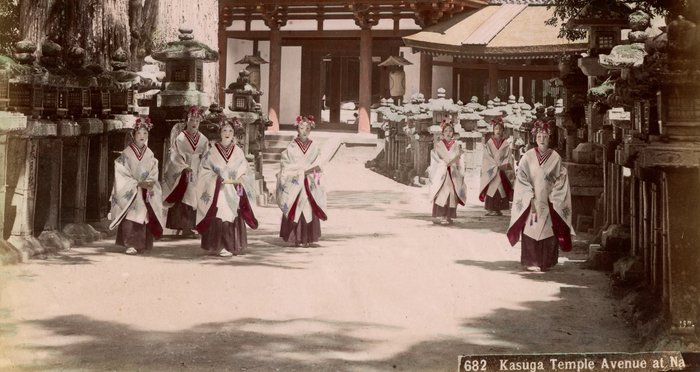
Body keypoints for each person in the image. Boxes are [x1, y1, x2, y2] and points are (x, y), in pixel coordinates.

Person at [507, 120, 575, 272]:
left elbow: (561, 179)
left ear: (549, 137)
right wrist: (529, 197)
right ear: (534, 137)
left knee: (548, 230)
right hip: (532, 199)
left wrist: (554, 197)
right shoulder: (528, 157)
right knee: (531, 228)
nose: (542, 138)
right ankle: (531, 260)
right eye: (539, 135)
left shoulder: (555, 157)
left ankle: (546, 262)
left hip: (549, 200)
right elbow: (522, 177)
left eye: (545, 135)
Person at [195, 118, 258, 257]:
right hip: (218, 189)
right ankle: (220, 245)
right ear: (220, 133)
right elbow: (204, 171)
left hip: (234, 188)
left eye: (230, 130)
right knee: (221, 210)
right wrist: (216, 179)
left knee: (233, 211)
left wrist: (240, 179)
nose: (227, 133)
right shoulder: (212, 152)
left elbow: (246, 171)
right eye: (224, 130)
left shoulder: (238, 152)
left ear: (234, 133)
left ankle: (232, 244)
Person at [109, 117, 165, 255]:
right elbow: (121, 171)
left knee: (144, 214)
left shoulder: (150, 153)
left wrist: (150, 181)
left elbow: (154, 170)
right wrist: (135, 183)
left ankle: (142, 243)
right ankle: (130, 244)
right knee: (130, 214)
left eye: (145, 133)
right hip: (131, 189)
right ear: (133, 135)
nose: (142, 136)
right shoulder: (126, 153)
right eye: (139, 133)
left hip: (144, 189)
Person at [276, 114, 327, 247]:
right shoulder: (291, 147)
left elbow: (319, 162)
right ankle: (297, 238)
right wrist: (298, 171)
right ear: (297, 129)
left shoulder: (315, 146)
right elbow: (285, 163)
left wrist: (312, 173)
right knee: (296, 204)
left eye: (307, 128)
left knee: (309, 206)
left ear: (311, 129)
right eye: (301, 127)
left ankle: (308, 237)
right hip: (295, 181)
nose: (304, 131)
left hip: (309, 180)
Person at [162, 106, 210, 237]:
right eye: (192, 120)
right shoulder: (180, 138)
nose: (194, 124)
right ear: (187, 121)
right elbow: (175, 156)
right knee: (185, 193)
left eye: (197, 121)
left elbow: (207, 156)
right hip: (184, 170)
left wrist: (204, 169)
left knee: (198, 194)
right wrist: (184, 168)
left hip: (198, 169)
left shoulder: (204, 139)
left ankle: (196, 225)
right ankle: (183, 226)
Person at [427, 119, 467, 225]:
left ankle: (449, 216)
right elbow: (440, 160)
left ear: (453, 133)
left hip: (453, 173)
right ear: (443, 134)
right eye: (446, 131)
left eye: (450, 131)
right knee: (442, 193)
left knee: (452, 194)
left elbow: (460, 161)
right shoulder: (439, 145)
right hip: (443, 173)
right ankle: (442, 215)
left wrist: (458, 165)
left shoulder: (456, 145)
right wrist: (453, 160)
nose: (448, 133)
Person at [479, 117, 514, 216]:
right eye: (496, 129)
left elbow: (508, 157)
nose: (498, 131)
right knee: (492, 187)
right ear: (493, 131)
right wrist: (494, 165)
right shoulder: (489, 143)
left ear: (503, 130)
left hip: (501, 169)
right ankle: (491, 208)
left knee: (501, 188)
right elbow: (486, 157)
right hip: (492, 169)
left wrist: (502, 165)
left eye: (500, 129)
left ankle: (498, 209)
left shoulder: (506, 144)